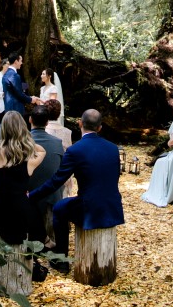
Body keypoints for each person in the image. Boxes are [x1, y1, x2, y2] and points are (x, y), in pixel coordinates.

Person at [28, 109, 125, 273]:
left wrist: (32, 195)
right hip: (113, 204)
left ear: (80, 123)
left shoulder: (75, 150)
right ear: (100, 128)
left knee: (59, 208)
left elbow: (56, 181)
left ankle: (61, 259)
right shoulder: (113, 148)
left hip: (89, 207)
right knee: (67, 205)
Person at [0, 111, 46, 246]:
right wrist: (24, 141)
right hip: (20, 210)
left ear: (2, 129)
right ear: (22, 129)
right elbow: (42, 151)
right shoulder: (27, 158)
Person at [28, 106, 64, 242]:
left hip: (28, 196)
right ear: (47, 122)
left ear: (30, 120)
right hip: (51, 197)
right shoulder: (57, 143)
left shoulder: (21, 142)